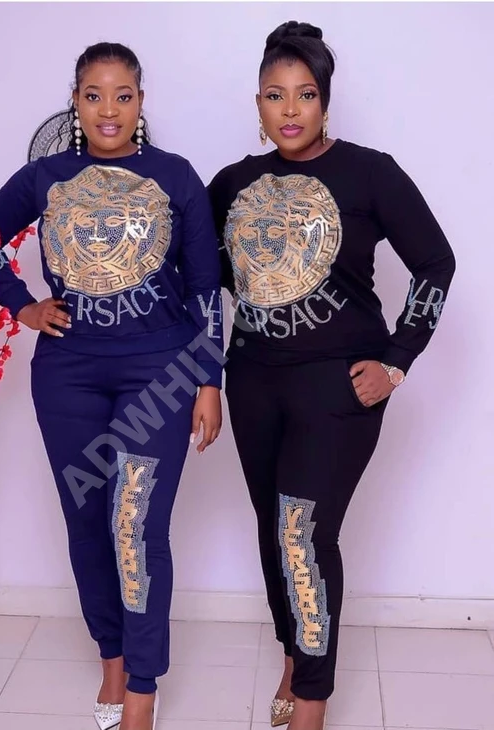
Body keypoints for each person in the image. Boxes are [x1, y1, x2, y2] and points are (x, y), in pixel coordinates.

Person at [0, 42, 224, 730]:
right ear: (75, 102)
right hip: (68, 374)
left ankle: (142, 684)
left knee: (135, 525)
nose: (109, 109)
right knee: (86, 522)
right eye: (94, 95)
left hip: (159, 373)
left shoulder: (175, 176)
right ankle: (111, 655)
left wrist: (209, 380)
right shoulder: (45, 176)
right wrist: (22, 306)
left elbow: (205, 288)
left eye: (123, 95)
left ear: (141, 102)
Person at [208, 21, 455, 730]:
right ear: (257, 103)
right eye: (275, 95)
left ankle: (312, 698)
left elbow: (435, 263)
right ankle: (294, 652)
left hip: (338, 388)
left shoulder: (369, 172)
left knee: (303, 534)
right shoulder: (232, 185)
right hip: (253, 382)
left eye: (305, 94)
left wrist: (397, 360)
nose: (289, 109)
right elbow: (203, 284)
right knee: (272, 530)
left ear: (325, 100)